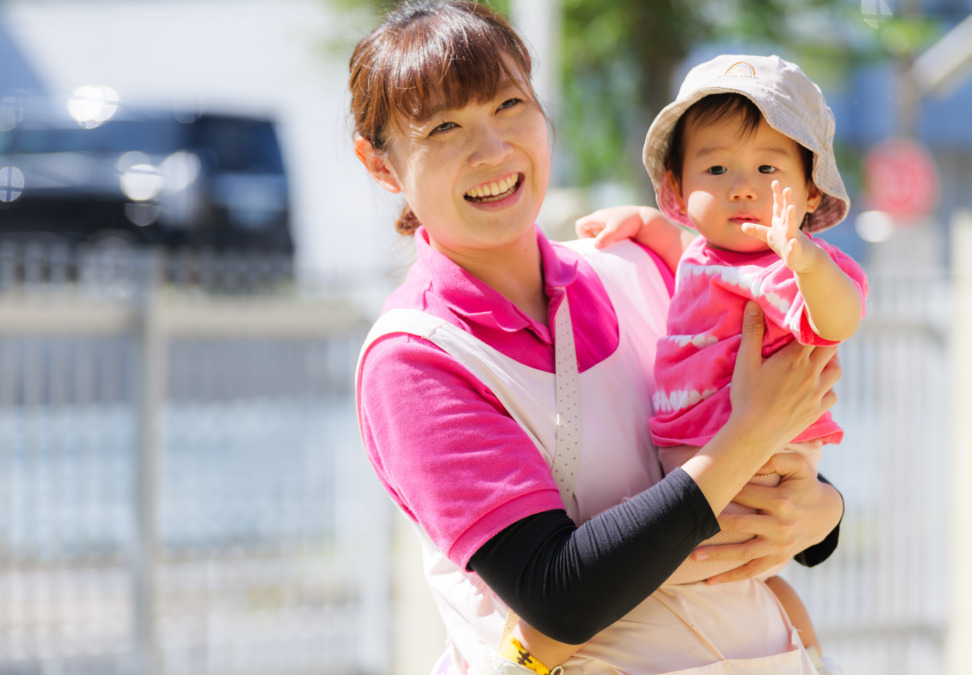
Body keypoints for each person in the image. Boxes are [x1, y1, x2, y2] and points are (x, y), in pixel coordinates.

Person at [351, 4, 845, 674]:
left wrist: (822, 512)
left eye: (508, 104)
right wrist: (751, 436)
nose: (494, 150)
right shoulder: (417, 357)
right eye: (444, 127)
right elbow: (560, 595)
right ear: (381, 165)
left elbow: (773, 456)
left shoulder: (637, 268)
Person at [511, 54, 867, 674]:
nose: (742, 186)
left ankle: (523, 660)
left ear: (810, 190)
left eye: (767, 167)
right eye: (717, 167)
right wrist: (645, 224)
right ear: (677, 187)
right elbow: (690, 258)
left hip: (763, 459)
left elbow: (838, 319)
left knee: (671, 574)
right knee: (737, 579)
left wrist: (805, 259)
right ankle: (806, 649)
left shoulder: (788, 270)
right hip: (703, 454)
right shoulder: (708, 254)